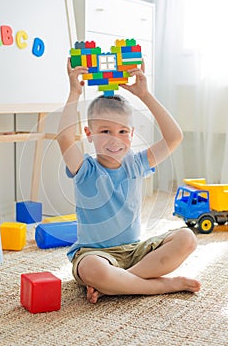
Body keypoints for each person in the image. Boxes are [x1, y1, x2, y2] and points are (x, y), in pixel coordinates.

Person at [57, 58, 201, 304]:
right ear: (89, 135)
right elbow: (64, 139)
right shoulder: (85, 168)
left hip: (135, 252)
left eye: (123, 131)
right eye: (105, 131)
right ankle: (160, 286)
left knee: (188, 238)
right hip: (95, 255)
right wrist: (74, 93)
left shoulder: (137, 163)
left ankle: (117, 284)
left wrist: (145, 95)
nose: (115, 140)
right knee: (93, 270)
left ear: (132, 134)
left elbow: (174, 136)